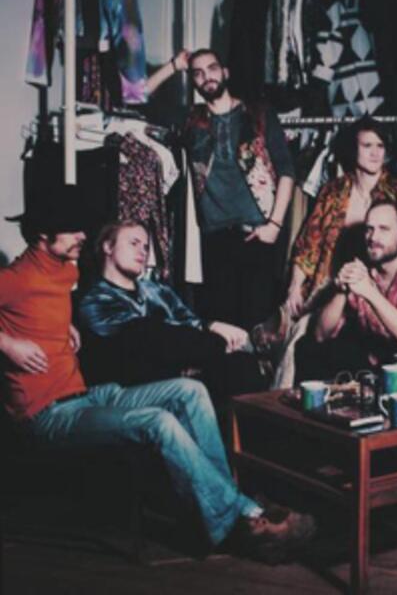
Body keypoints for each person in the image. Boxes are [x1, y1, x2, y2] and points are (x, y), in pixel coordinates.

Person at [0, 185, 315, 563]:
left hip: (87, 395)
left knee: (190, 390)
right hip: (47, 414)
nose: (82, 235)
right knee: (158, 422)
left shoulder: (67, 270)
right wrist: (8, 344)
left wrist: (63, 326)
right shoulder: (16, 278)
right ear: (42, 234)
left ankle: (225, 512)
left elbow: (44, 308)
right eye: (71, 229)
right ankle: (242, 518)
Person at [263, 116, 397, 387]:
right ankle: (281, 403)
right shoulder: (333, 192)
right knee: (301, 339)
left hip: (382, 295)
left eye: (380, 146)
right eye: (367, 145)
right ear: (353, 150)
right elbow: (310, 241)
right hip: (333, 289)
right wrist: (296, 285)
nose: (375, 153)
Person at [150, 48, 296, 331]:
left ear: (225, 72)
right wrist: (174, 65)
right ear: (193, 81)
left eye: (212, 68)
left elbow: (287, 171)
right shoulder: (192, 121)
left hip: (258, 233)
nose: (207, 77)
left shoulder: (258, 114)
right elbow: (136, 96)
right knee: (223, 327)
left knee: (259, 325)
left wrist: (275, 225)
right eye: (198, 73)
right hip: (215, 238)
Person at [77, 220, 266, 398]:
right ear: (108, 247)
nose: (142, 252)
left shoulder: (157, 290)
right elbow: (148, 339)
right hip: (139, 382)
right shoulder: (94, 298)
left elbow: (189, 323)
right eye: (133, 243)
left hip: (186, 364)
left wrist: (212, 326)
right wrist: (216, 344)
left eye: (145, 247)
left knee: (242, 366)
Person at [295, 200, 397, 384]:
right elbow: (320, 335)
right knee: (307, 348)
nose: (373, 237)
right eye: (369, 229)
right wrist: (342, 290)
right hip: (378, 365)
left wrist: (370, 292)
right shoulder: (364, 267)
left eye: (384, 229)